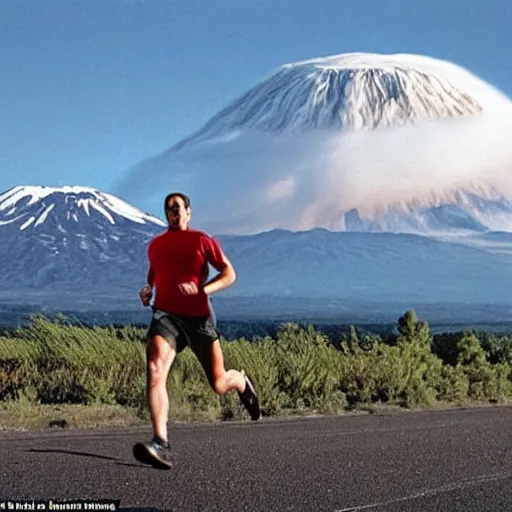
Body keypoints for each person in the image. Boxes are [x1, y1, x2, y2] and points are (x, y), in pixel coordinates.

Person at [132, 192, 261, 470]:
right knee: (155, 370)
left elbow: (229, 274)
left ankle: (240, 381)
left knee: (218, 383)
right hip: (165, 315)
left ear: (189, 212)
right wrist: (147, 290)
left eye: (177, 208)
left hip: (198, 316)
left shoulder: (202, 240)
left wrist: (202, 290)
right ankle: (160, 443)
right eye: (168, 209)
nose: (173, 213)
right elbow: (154, 275)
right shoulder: (156, 245)